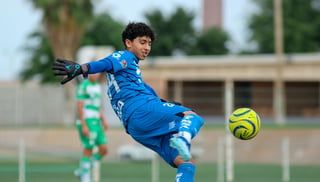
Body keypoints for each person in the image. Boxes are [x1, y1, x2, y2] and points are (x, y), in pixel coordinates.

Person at [53, 22, 204, 182]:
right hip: (141, 110)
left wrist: (169, 104)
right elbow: (105, 63)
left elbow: (150, 95)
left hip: (135, 128)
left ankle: (180, 141)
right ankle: (182, 138)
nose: (147, 47)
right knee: (193, 116)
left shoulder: (132, 78)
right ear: (128, 42)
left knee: (185, 163)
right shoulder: (125, 56)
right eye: (143, 42)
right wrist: (82, 68)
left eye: (149, 44)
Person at [74, 73, 109, 182]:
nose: (95, 75)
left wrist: (103, 119)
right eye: (93, 72)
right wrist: (84, 125)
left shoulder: (97, 86)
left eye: (97, 72)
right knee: (88, 148)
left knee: (104, 149)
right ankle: (85, 176)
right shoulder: (84, 86)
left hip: (96, 121)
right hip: (87, 120)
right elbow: (79, 106)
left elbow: (97, 105)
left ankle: (83, 169)